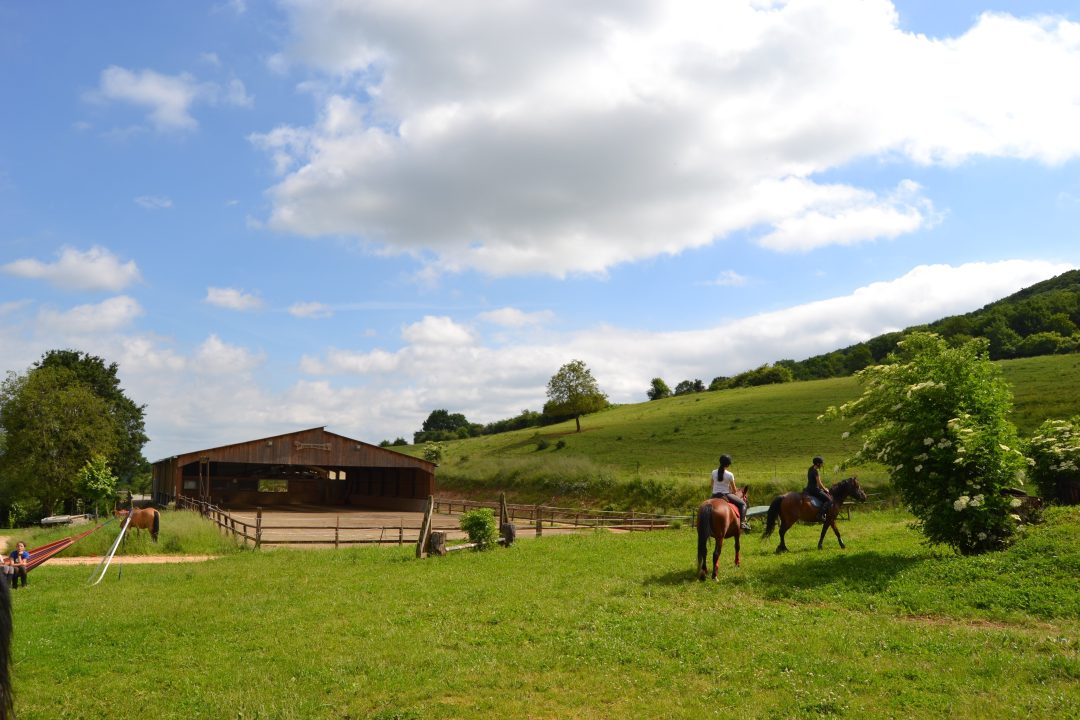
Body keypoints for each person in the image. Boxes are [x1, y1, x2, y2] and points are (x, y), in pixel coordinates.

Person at [711, 454, 750, 531]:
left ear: (720, 462)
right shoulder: (729, 474)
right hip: (726, 495)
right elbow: (734, 490)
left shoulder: (713, 472)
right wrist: (731, 490)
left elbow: (712, 485)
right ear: (728, 464)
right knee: (743, 504)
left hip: (714, 495)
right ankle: (742, 523)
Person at [806, 456, 832, 522]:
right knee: (829, 500)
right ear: (817, 463)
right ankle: (820, 515)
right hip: (814, 490)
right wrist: (825, 489)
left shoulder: (810, 469)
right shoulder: (816, 471)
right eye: (821, 463)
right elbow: (819, 483)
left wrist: (822, 489)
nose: (822, 465)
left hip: (808, 489)